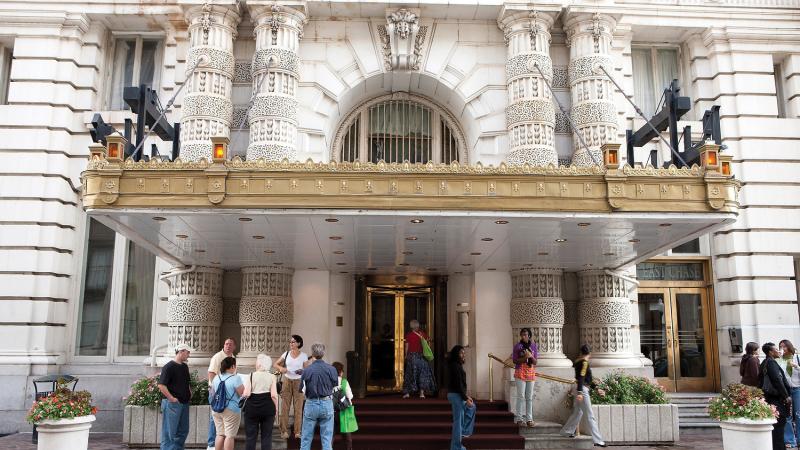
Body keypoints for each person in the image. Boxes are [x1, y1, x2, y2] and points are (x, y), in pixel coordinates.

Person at [560, 344, 607, 448]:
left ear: (581, 352)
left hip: (579, 388)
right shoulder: (584, 363)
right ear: (590, 353)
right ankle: (598, 440)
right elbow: (582, 378)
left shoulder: (578, 362)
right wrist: (581, 392)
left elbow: (585, 378)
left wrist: (596, 388)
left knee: (578, 412)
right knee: (590, 415)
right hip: (582, 390)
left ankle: (566, 431)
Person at [299, 343, 339, 450]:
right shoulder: (332, 369)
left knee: (306, 438)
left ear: (312, 354)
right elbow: (335, 386)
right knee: (326, 439)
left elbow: (301, 390)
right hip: (326, 402)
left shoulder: (307, 370)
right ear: (323, 353)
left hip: (311, 403)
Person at [274, 334, 309, 439]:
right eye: (290, 342)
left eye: (293, 342)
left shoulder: (304, 355)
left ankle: (297, 431)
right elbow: (275, 364)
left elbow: (307, 371)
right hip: (287, 381)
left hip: (299, 381)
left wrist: (302, 371)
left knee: (298, 408)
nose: (291, 343)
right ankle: (284, 431)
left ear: (299, 343)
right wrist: (282, 369)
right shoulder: (286, 354)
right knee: (285, 407)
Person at [158, 344, 192, 450]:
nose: (189, 355)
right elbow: (161, 385)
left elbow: (187, 382)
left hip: (184, 403)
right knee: (169, 432)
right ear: (181, 351)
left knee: (183, 431)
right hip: (173, 404)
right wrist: (171, 399)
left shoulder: (184, 366)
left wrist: (189, 393)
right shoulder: (169, 367)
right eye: (188, 352)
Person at [242, 354, 279, 450]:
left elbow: (246, 393)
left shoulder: (251, 375)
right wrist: (276, 409)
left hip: (252, 408)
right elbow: (274, 395)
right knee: (267, 437)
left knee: (250, 437)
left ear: (259, 364)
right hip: (268, 408)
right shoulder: (272, 377)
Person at [761, 342, 792, 450]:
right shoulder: (771, 363)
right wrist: (786, 396)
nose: (779, 351)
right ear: (770, 352)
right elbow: (777, 380)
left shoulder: (765, 362)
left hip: (771, 400)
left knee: (776, 430)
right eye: (776, 349)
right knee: (778, 430)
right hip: (776, 401)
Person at [207, 338, 236, 450]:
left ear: (234, 347)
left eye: (230, 344)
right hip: (216, 391)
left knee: (222, 416)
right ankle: (211, 445)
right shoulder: (217, 357)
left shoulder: (233, 357)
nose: (228, 346)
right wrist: (216, 389)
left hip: (227, 392)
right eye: (226, 344)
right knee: (215, 417)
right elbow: (211, 373)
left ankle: (220, 444)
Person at [211, 356, 245, 450]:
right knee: (229, 436)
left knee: (220, 434)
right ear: (233, 366)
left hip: (216, 409)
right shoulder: (236, 378)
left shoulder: (216, 377)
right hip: (231, 410)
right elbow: (242, 393)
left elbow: (212, 393)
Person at [446, 345, 476, 450]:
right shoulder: (455, 365)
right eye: (461, 353)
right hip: (455, 395)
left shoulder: (457, 365)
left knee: (472, 408)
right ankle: (456, 446)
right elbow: (458, 384)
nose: (464, 355)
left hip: (458, 394)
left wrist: (466, 396)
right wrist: (465, 398)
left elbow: (460, 385)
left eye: (464, 353)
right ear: (456, 354)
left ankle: (464, 432)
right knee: (458, 422)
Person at [402, 319, 436, 398]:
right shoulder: (423, 334)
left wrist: (406, 355)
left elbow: (407, 346)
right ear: (418, 325)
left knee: (410, 374)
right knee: (422, 374)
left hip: (412, 357)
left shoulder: (409, 335)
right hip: (421, 357)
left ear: (411, 326)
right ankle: (422, 393)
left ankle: (407, 393)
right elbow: (426, 345)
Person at [512, 328, 538, 427]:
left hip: (530, 372)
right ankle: (519, 418)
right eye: (522, 335)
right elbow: (515, 361)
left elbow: (536, 362)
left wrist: (530, 356)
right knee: (520, 396)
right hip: (520, 372)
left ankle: (529, 419)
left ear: (529, 336)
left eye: (526, 335)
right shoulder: (517, 346)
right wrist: (525, 357)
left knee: (529, 397)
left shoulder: (533, 346)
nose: (524, 336)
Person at [332, 361, 357, 450]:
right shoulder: (344, 381)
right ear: (341, 371)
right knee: (347, 434)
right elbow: (350, 396)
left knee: (331, 434)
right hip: (344, 410)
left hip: (332, 411)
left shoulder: (329, 381)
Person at [779, 340, 800, 449]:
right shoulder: (779, 360)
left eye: (785, 346)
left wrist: (796, 366)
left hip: (797, 389)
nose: (783, 349)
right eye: (781, 347)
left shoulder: (797, 358)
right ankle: (790, 441)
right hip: (785, 390)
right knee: (787, 416)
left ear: (789, 347)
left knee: (798, 415)